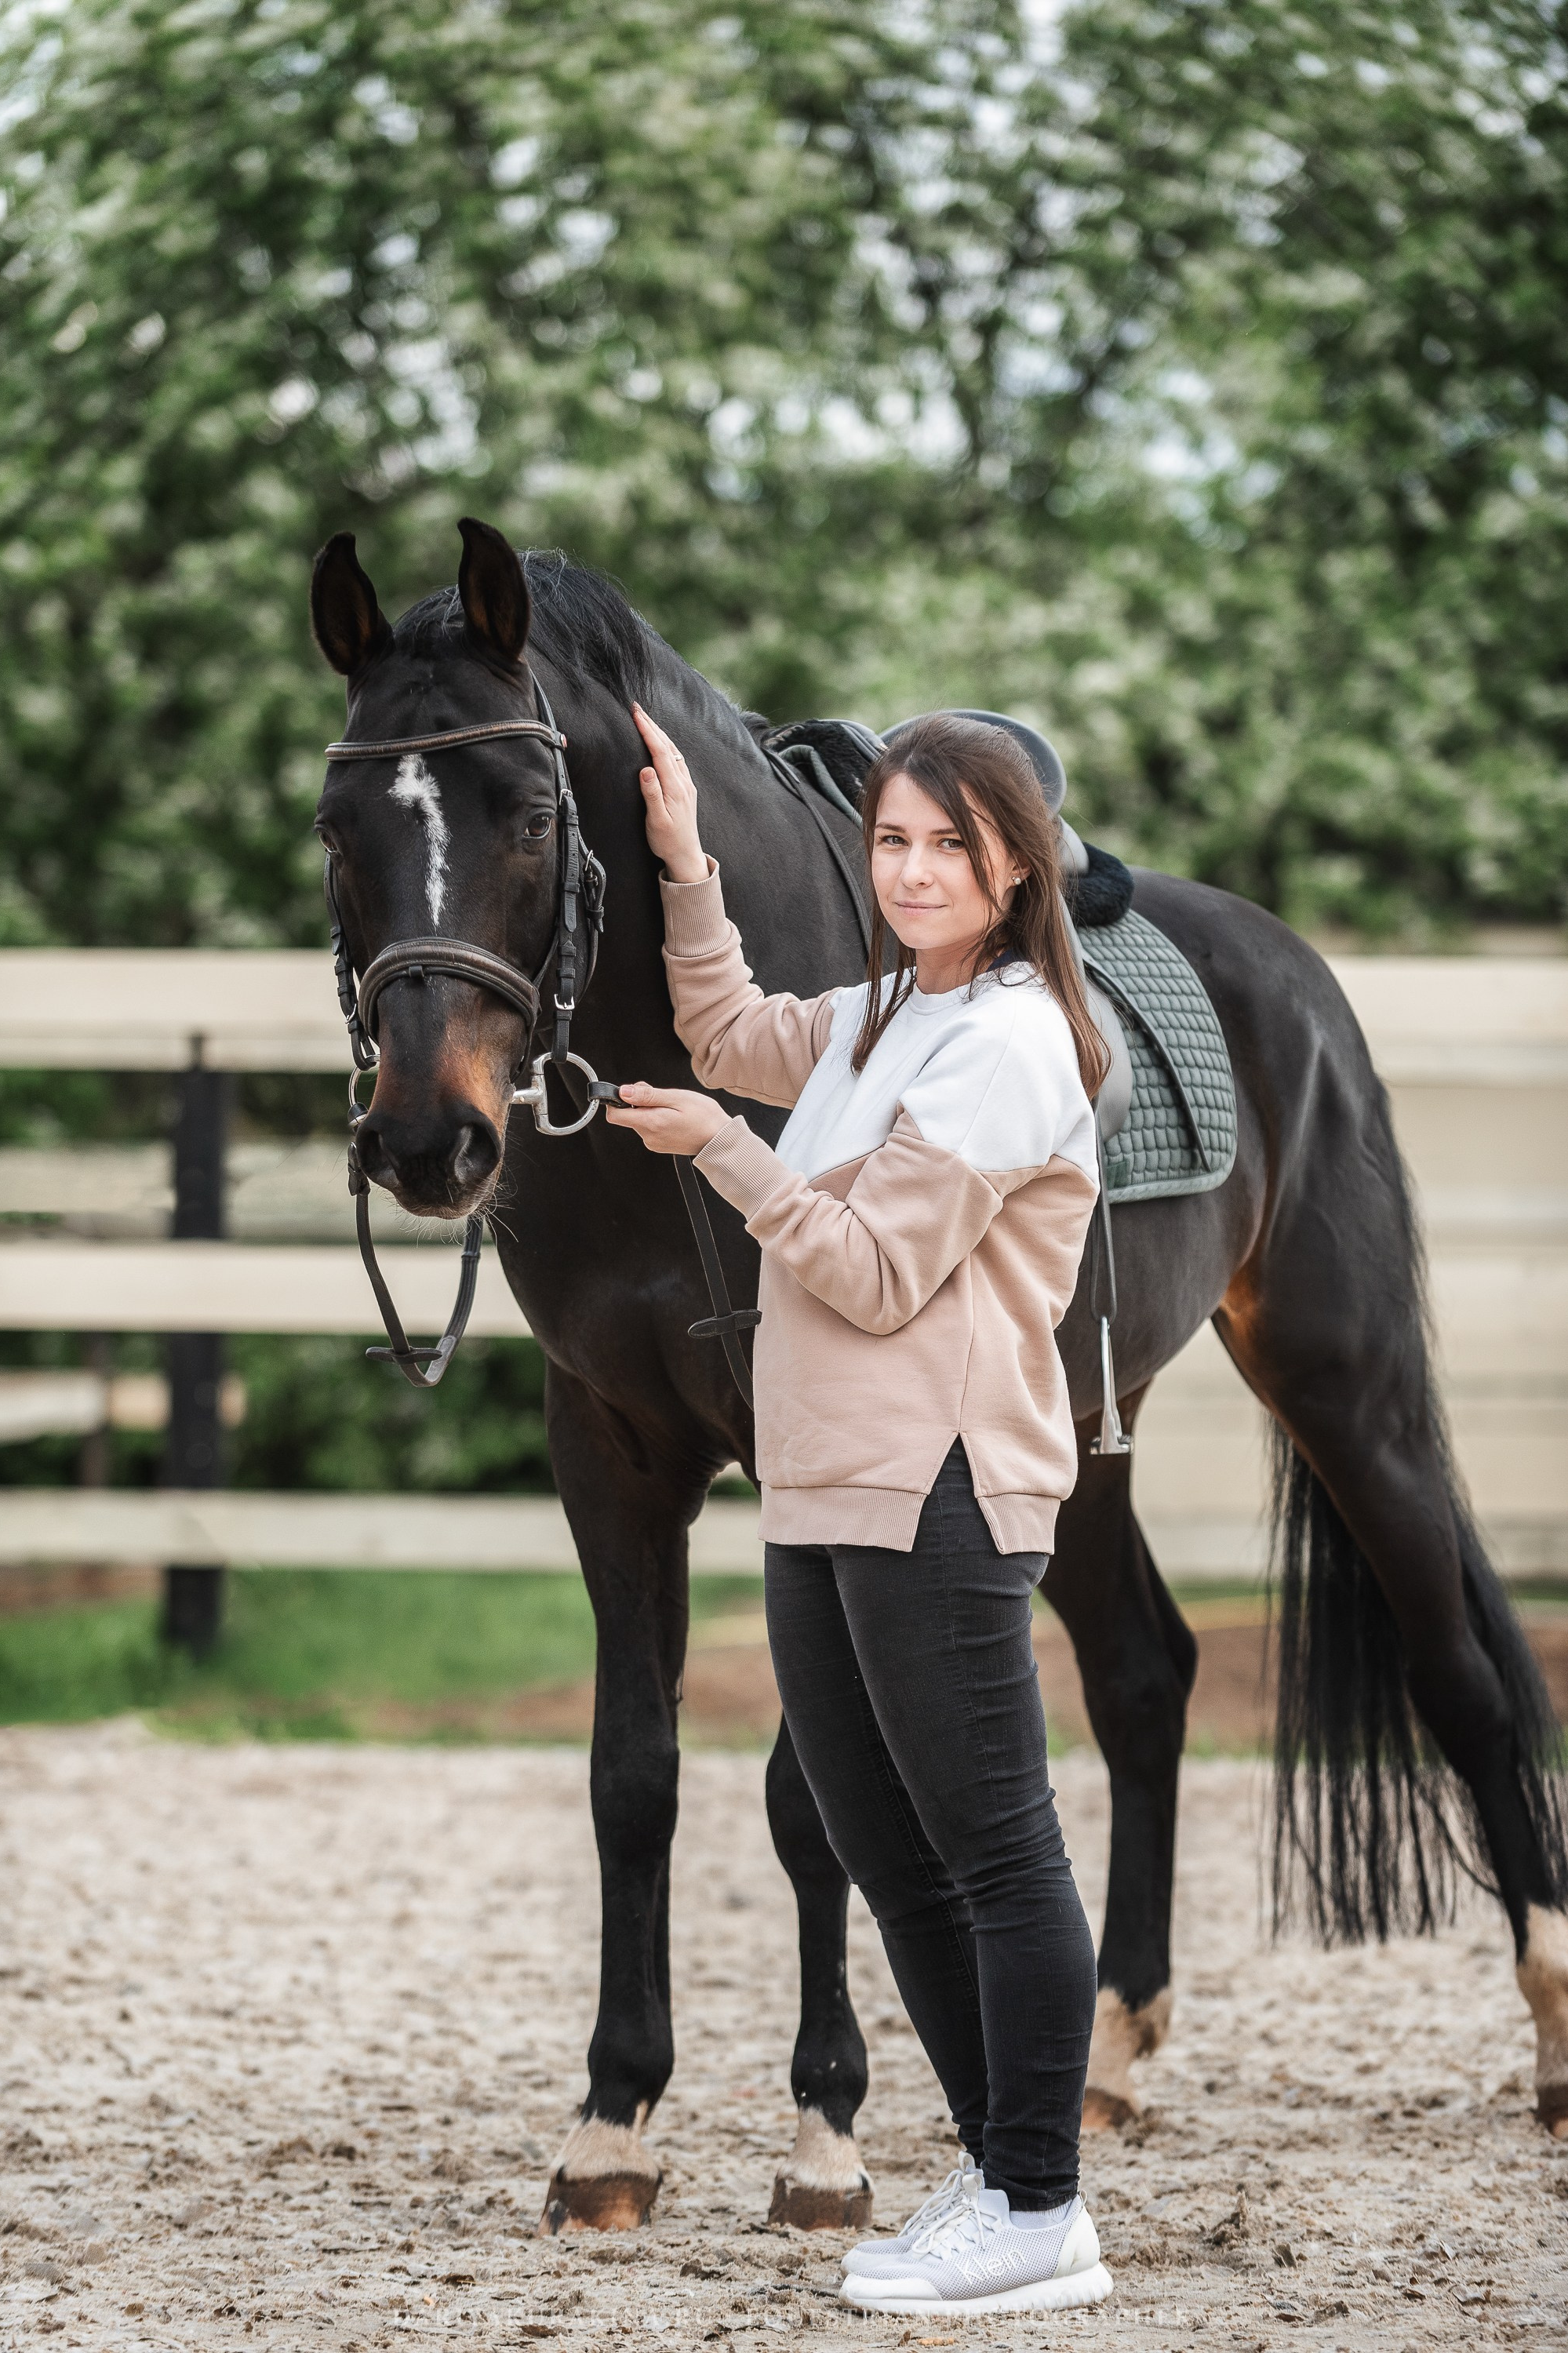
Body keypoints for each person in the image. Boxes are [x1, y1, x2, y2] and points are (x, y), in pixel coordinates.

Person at [607, 704, 1114, 2321]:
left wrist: (727, 1164)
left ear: (1016, 861)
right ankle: (1000, 2171)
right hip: (823, 1480)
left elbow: (883, 1273)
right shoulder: (887, 1012)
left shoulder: (1014, 1040)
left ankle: (1041, 2203)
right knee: (888, 1851)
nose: (910, 871)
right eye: (891, 840)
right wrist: (686, 858)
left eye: (947, 846)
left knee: (994, 1848)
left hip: (945, 1481)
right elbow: (728, 1025)